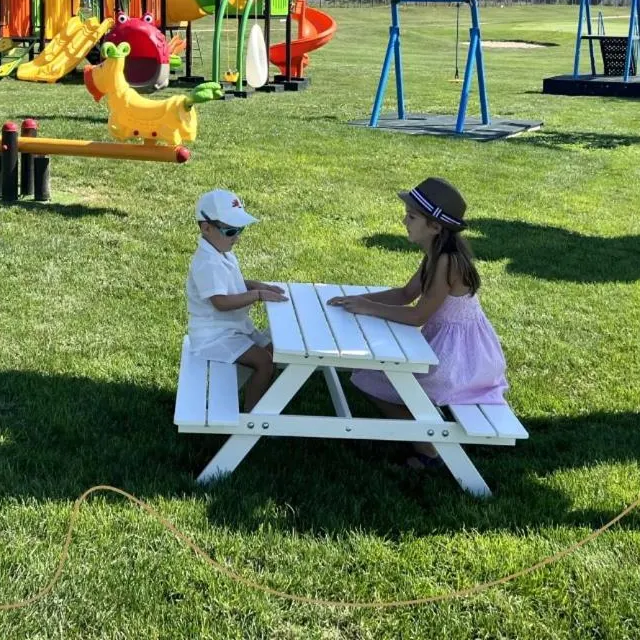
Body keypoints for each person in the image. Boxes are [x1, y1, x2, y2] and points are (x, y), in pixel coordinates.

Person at [328, 177, 508, 471]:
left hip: (460, 363)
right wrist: (358, 299)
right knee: (373, 374)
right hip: (454, 350)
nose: (404, 221)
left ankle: (429, 448)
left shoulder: (447, 262)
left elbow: (418, 315)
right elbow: (405, 294)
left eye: (411, 217)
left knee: (369, 380)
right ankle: (425, 431)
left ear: (435, 226)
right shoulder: (436, 254)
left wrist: (368, 307)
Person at [186, 189, 288, 411]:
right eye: (231, 231)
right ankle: (253, 416)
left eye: (240, 229)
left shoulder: (221, 251)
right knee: (264, 362)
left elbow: (232, 282)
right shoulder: (208, 263)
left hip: (234, 327)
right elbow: (220, 302)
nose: (237, 237)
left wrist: (256, 285)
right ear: (206, 228)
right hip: (213, 336)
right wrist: (257, 295)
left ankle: (263, 404)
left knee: (275, 351)